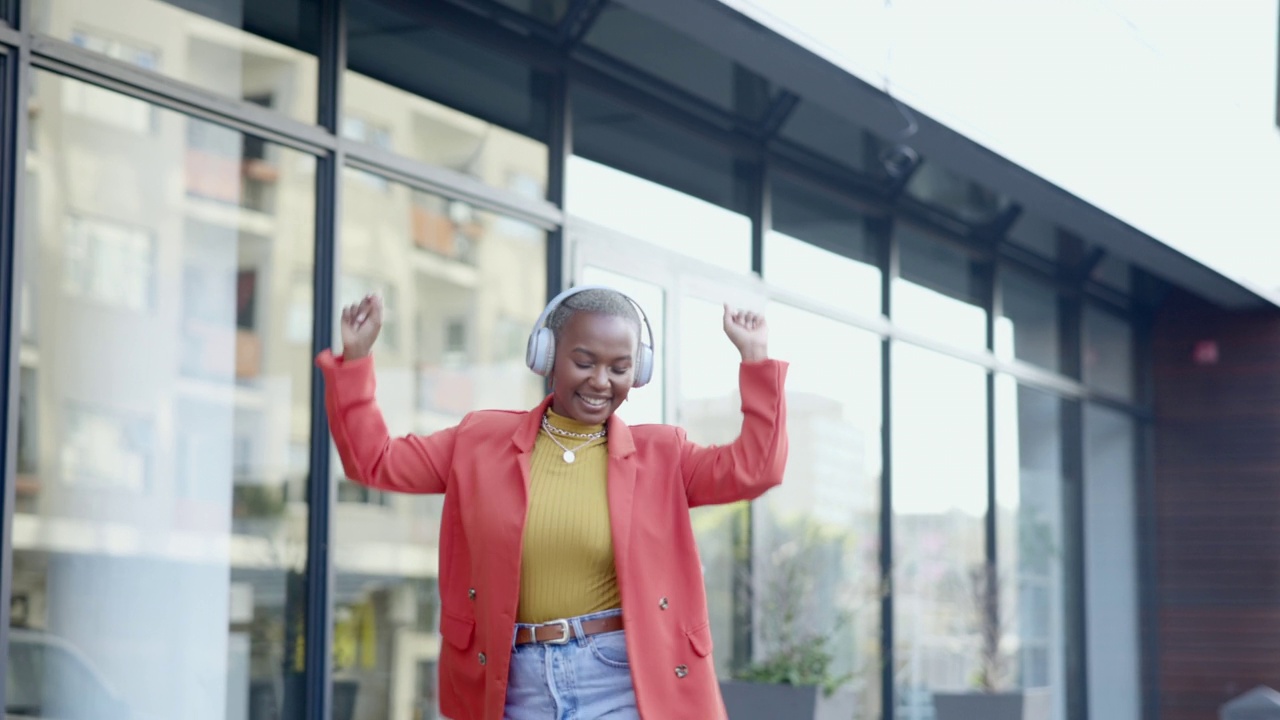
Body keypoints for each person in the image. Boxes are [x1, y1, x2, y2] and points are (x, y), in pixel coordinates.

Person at [316, 285, 789, 720]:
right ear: (547, 356)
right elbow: (374, 462)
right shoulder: (478, 441)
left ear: (637, 371)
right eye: (584, 361)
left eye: (620, 368)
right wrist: (356, 361)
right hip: (514, 682)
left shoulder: (664, 454)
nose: (601, 381)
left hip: (621, 677)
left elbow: (755, 469)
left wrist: (756, 360)